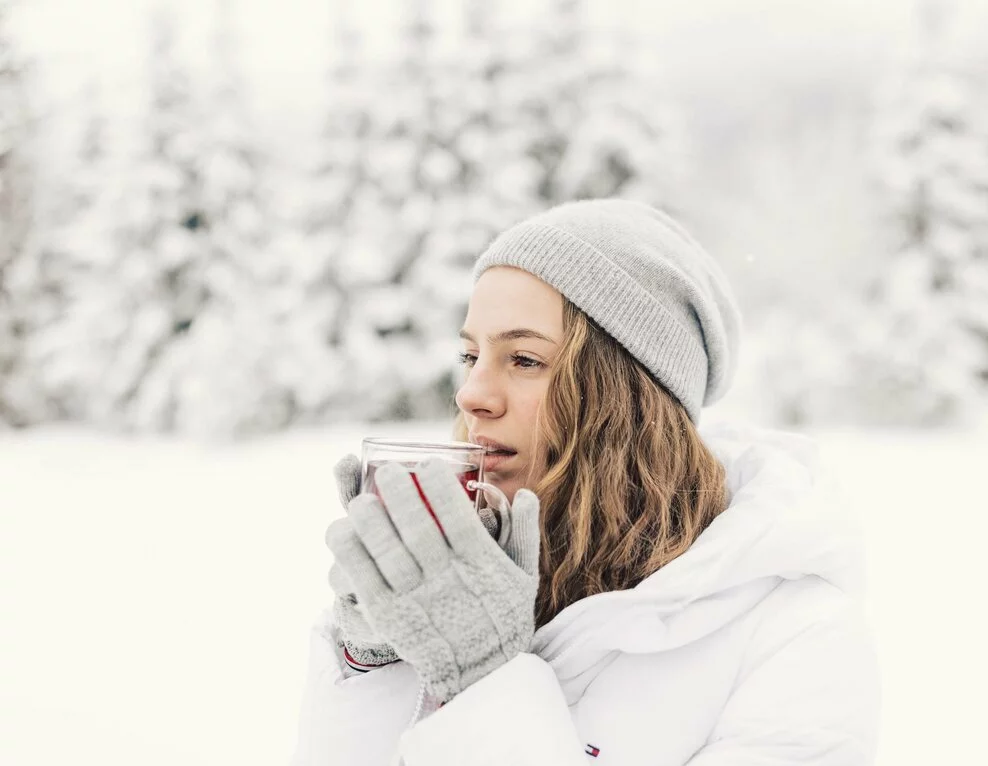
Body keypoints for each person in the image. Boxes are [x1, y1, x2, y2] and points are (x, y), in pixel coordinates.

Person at [291, 199, 880, 765]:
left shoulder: (795, 635)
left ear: (625, 395)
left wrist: (485, 677)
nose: (470, 394)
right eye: (471, 356)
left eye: (524, 359)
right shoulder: (450, 581)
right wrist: (373, 664)